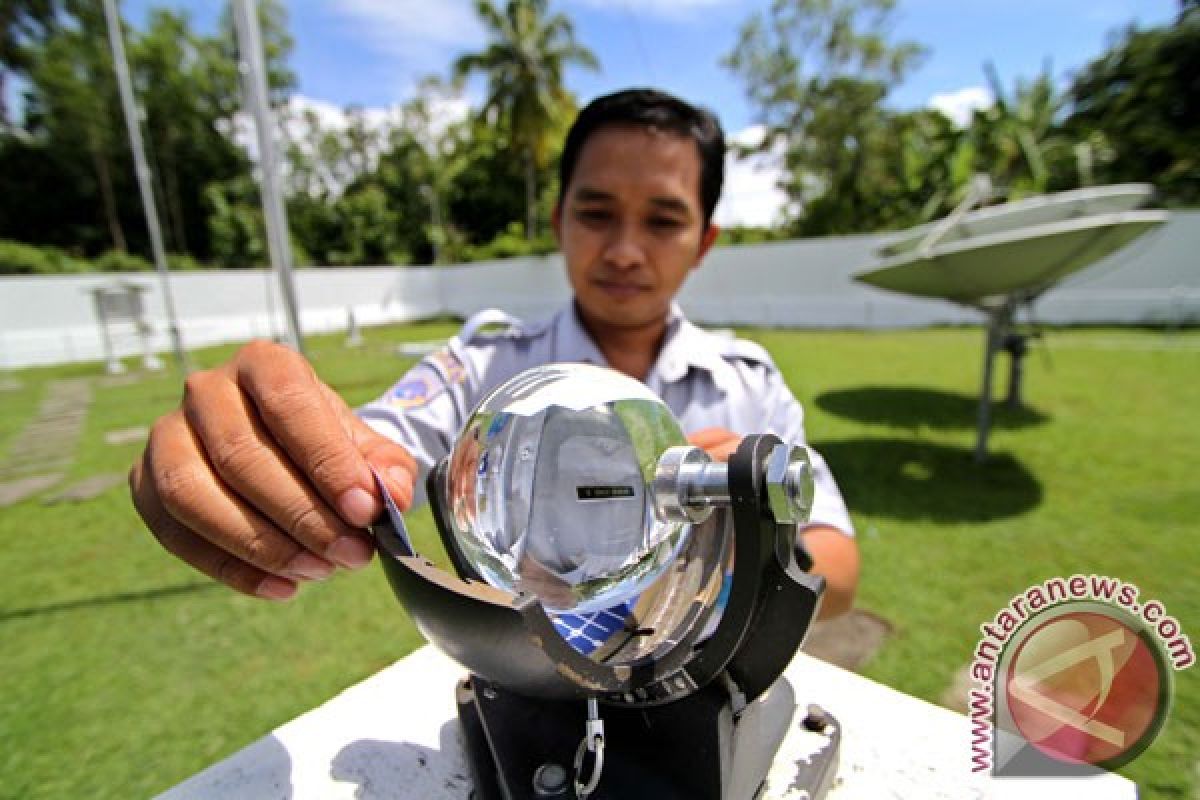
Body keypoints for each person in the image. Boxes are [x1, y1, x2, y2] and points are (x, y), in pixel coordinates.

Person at [129, 88, 859, 619]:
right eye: (596, 213)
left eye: (664, 221)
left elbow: (838, 567)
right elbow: (368, 455)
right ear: (558, 220)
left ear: (703, 242)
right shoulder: (488, 371)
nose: (625, 251)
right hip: (527, 693)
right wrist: (261, 441)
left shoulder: (746, 385)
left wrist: (752, 541)